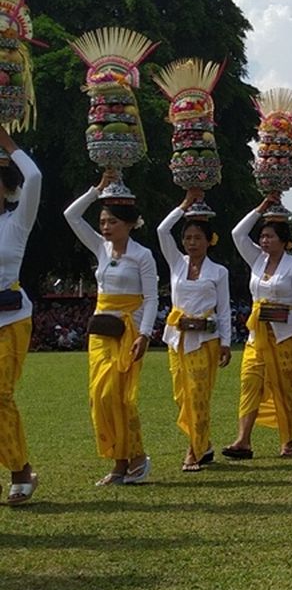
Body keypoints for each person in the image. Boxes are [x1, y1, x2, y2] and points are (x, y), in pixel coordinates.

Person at [65, 171, 158, 485]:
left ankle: (135, 458)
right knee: (100, 396)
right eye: (103, 222)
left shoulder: (142, 256)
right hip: (101, 333)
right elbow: (71, 215)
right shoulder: (100, 248)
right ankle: (119, 460)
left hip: (129, 332)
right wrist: (96, 190)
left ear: (130, 223)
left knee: (120, 397)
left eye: (112, 222)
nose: (105, 227)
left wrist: (144, 334)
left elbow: (152, 297)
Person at [223, 197, 292, 459]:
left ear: (284, 241)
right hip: (256, 337)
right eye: (262, 236)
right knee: (249, 383)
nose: (264, 241)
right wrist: (260, 209)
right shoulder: (257, 261)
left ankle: (287, 441)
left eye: (270, 237)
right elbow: (237, 234)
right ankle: (243, 440)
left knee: (285, 389)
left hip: (286, 336)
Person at [156, 188, 232, 472]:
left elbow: (223, 309)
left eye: (197, 238)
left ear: (208, 241)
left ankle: (194, 450)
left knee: (199, 394)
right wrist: (184, 205)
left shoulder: (218, 272)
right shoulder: (176, 263)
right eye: (187, 238)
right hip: (177, 339)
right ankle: (205, 443)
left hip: (206, 340)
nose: (191, 243)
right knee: (181, 396)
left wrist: (225, 342)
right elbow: (162, 231)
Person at [0, 127, 41, 503]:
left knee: (0, 395)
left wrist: (8, 144)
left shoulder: (17, 223)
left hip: (11, 319)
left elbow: (35, 177)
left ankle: (20, 471)